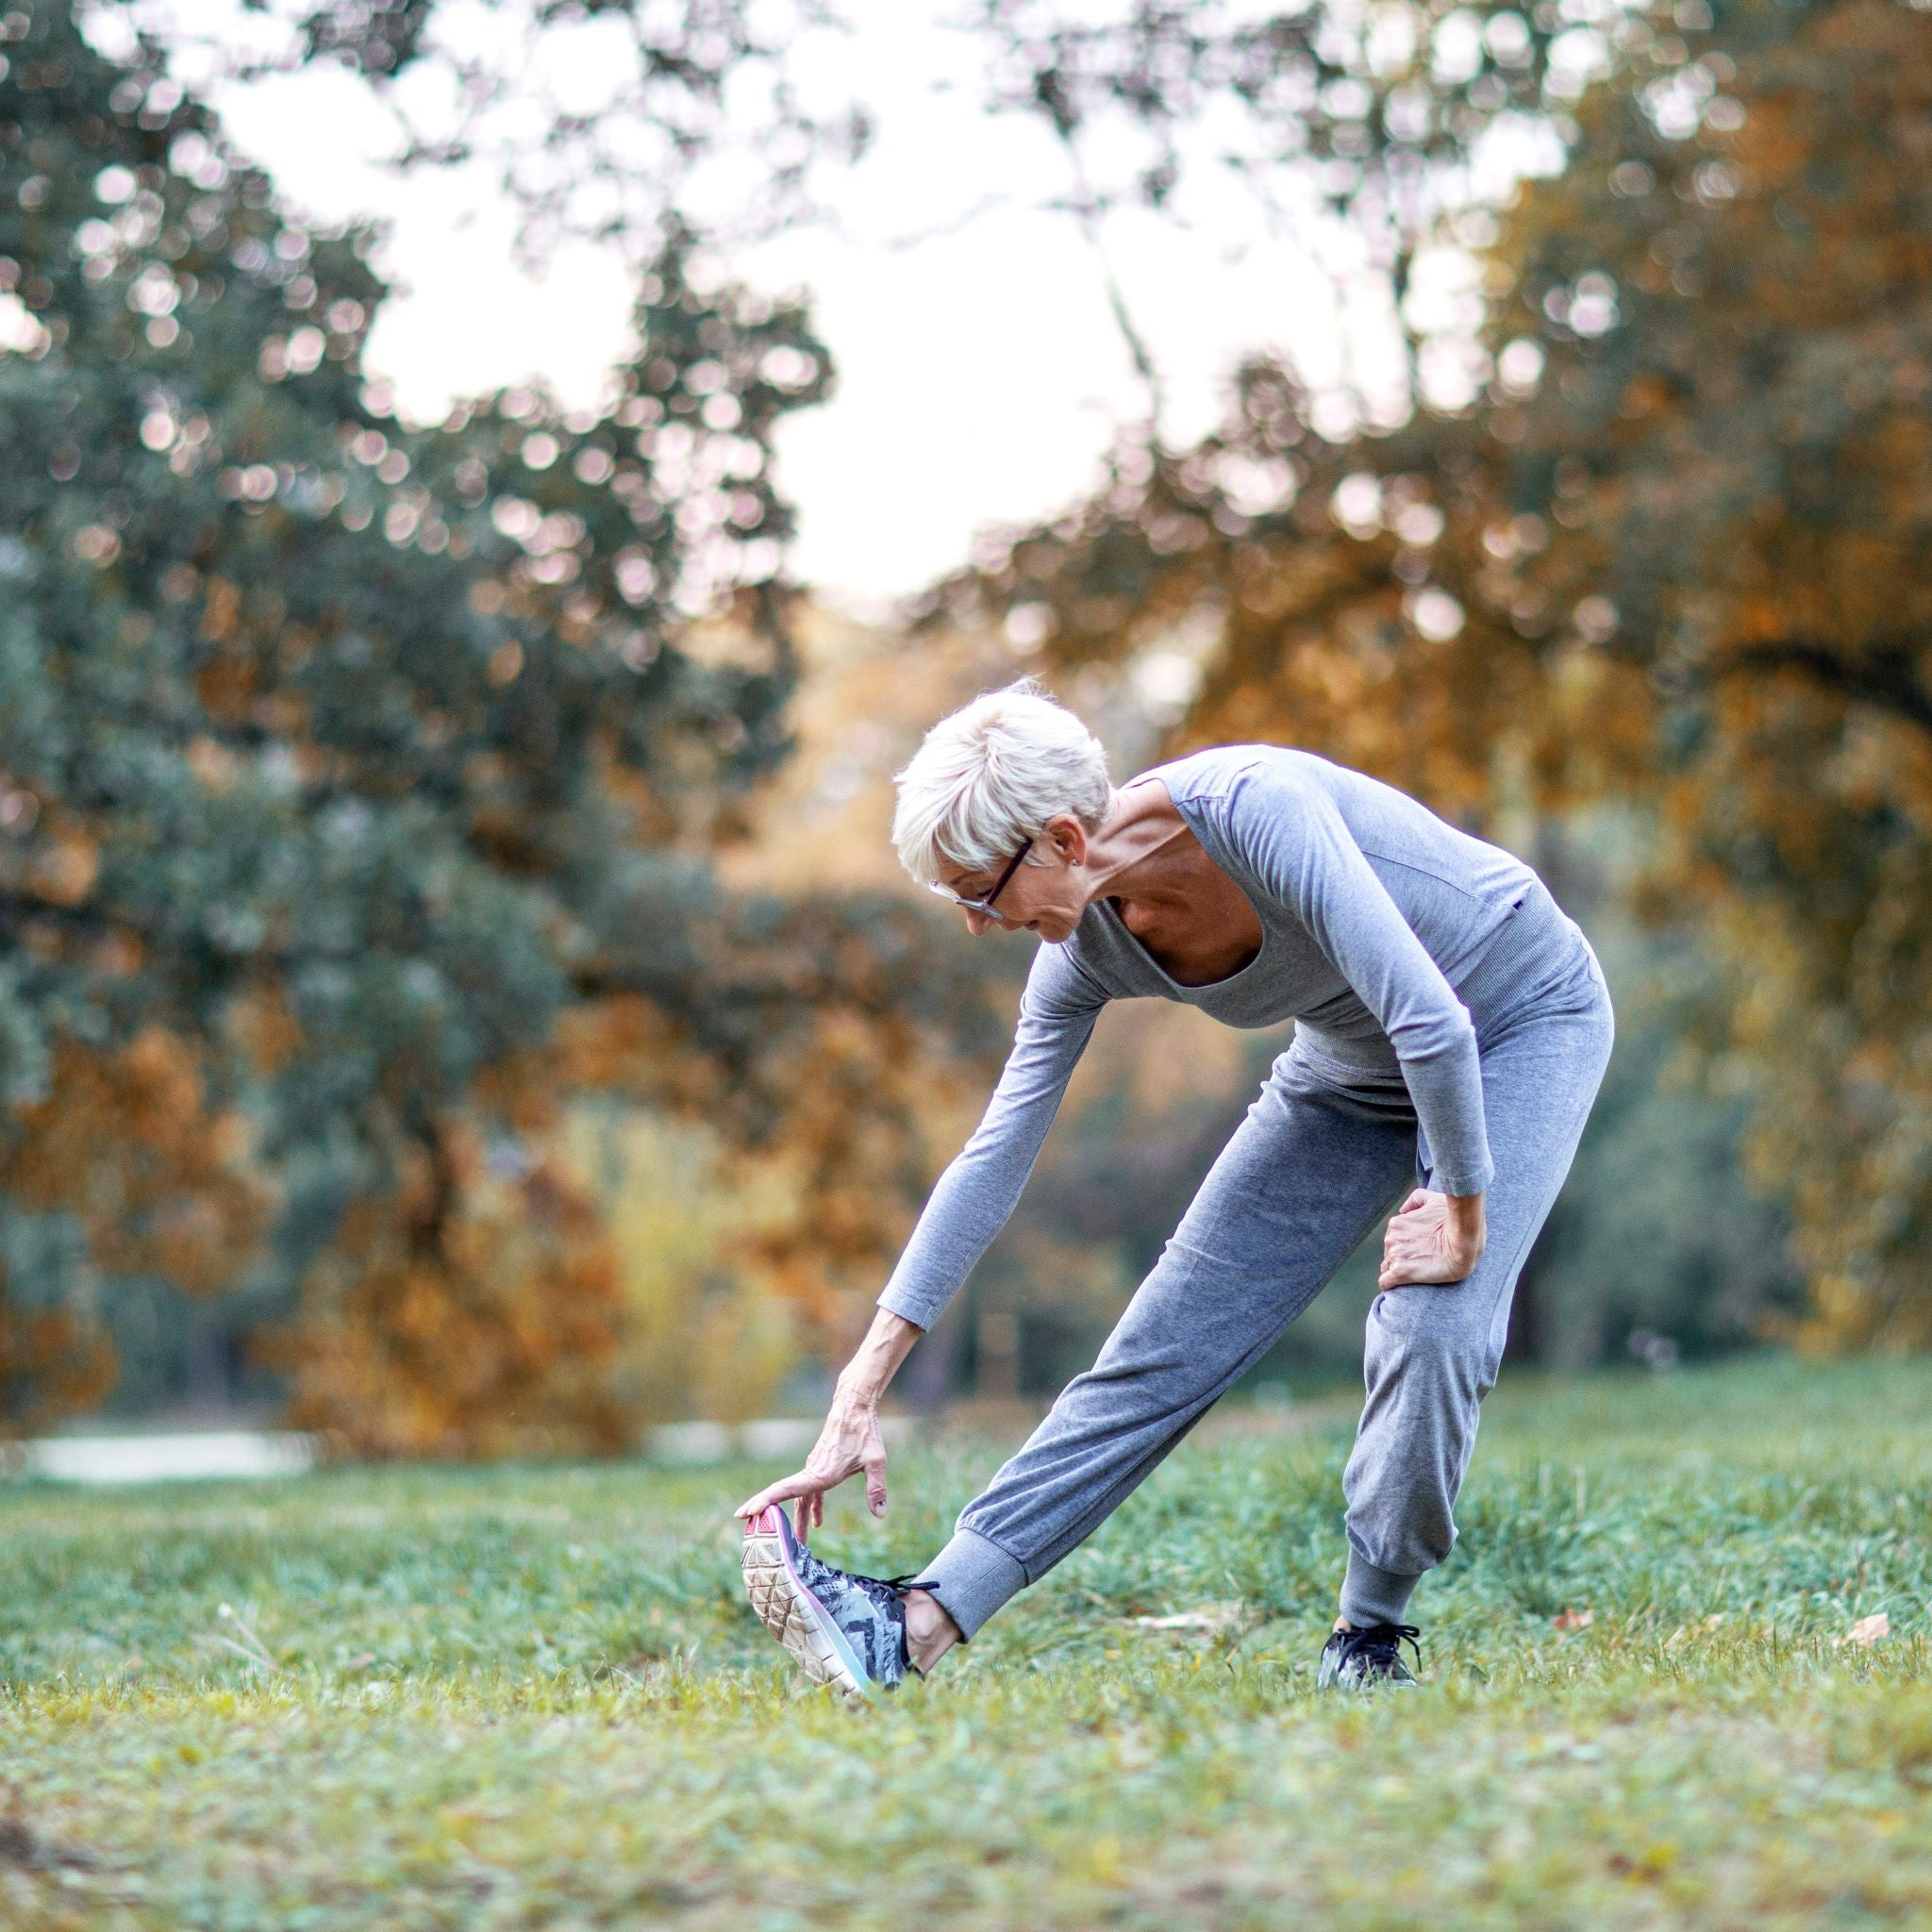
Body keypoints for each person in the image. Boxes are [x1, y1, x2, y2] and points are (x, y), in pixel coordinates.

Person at [736, 679, 1613, 1696]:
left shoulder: (1255, 811)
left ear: (1062, 838)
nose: (977, 924)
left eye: (981, 892)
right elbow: (993, 1153)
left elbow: (1433, 1022)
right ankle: (915, 1622)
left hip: (1513, 1017)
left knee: (1431, 1323)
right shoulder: (1083, 949)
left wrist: (1461, 1209)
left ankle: (1366, 1635)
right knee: (1160, 1341)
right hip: (1349, 1071)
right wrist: (863, 1378)